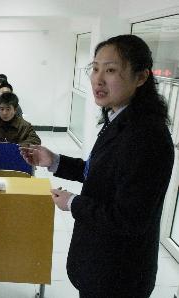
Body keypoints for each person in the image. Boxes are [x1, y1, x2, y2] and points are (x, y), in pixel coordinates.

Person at [19, 34, 174, 298]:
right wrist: (55, 161)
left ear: (141, 77)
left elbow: (129, 219)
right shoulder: (119, 117)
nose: (98, 79)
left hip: (118, 274)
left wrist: (72, 203)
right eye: (95, 68)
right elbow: (103, 174)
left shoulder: (147, 136)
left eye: (111, 70)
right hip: (99, 263)